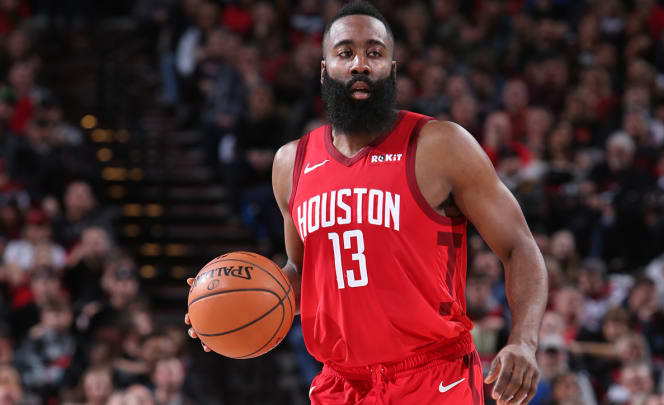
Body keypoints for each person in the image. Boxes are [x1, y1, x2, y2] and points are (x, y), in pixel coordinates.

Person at [185, 2, 548, 404]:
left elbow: (519, 247)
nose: (360, 64)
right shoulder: (291, 163)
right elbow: (303, 273)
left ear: (391, 68)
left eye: (374, 53)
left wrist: (524, 341)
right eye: (345, 53)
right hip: (341, 384)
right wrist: (223, 304)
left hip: (432, 379)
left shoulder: (441, 146)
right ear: (325, 70)